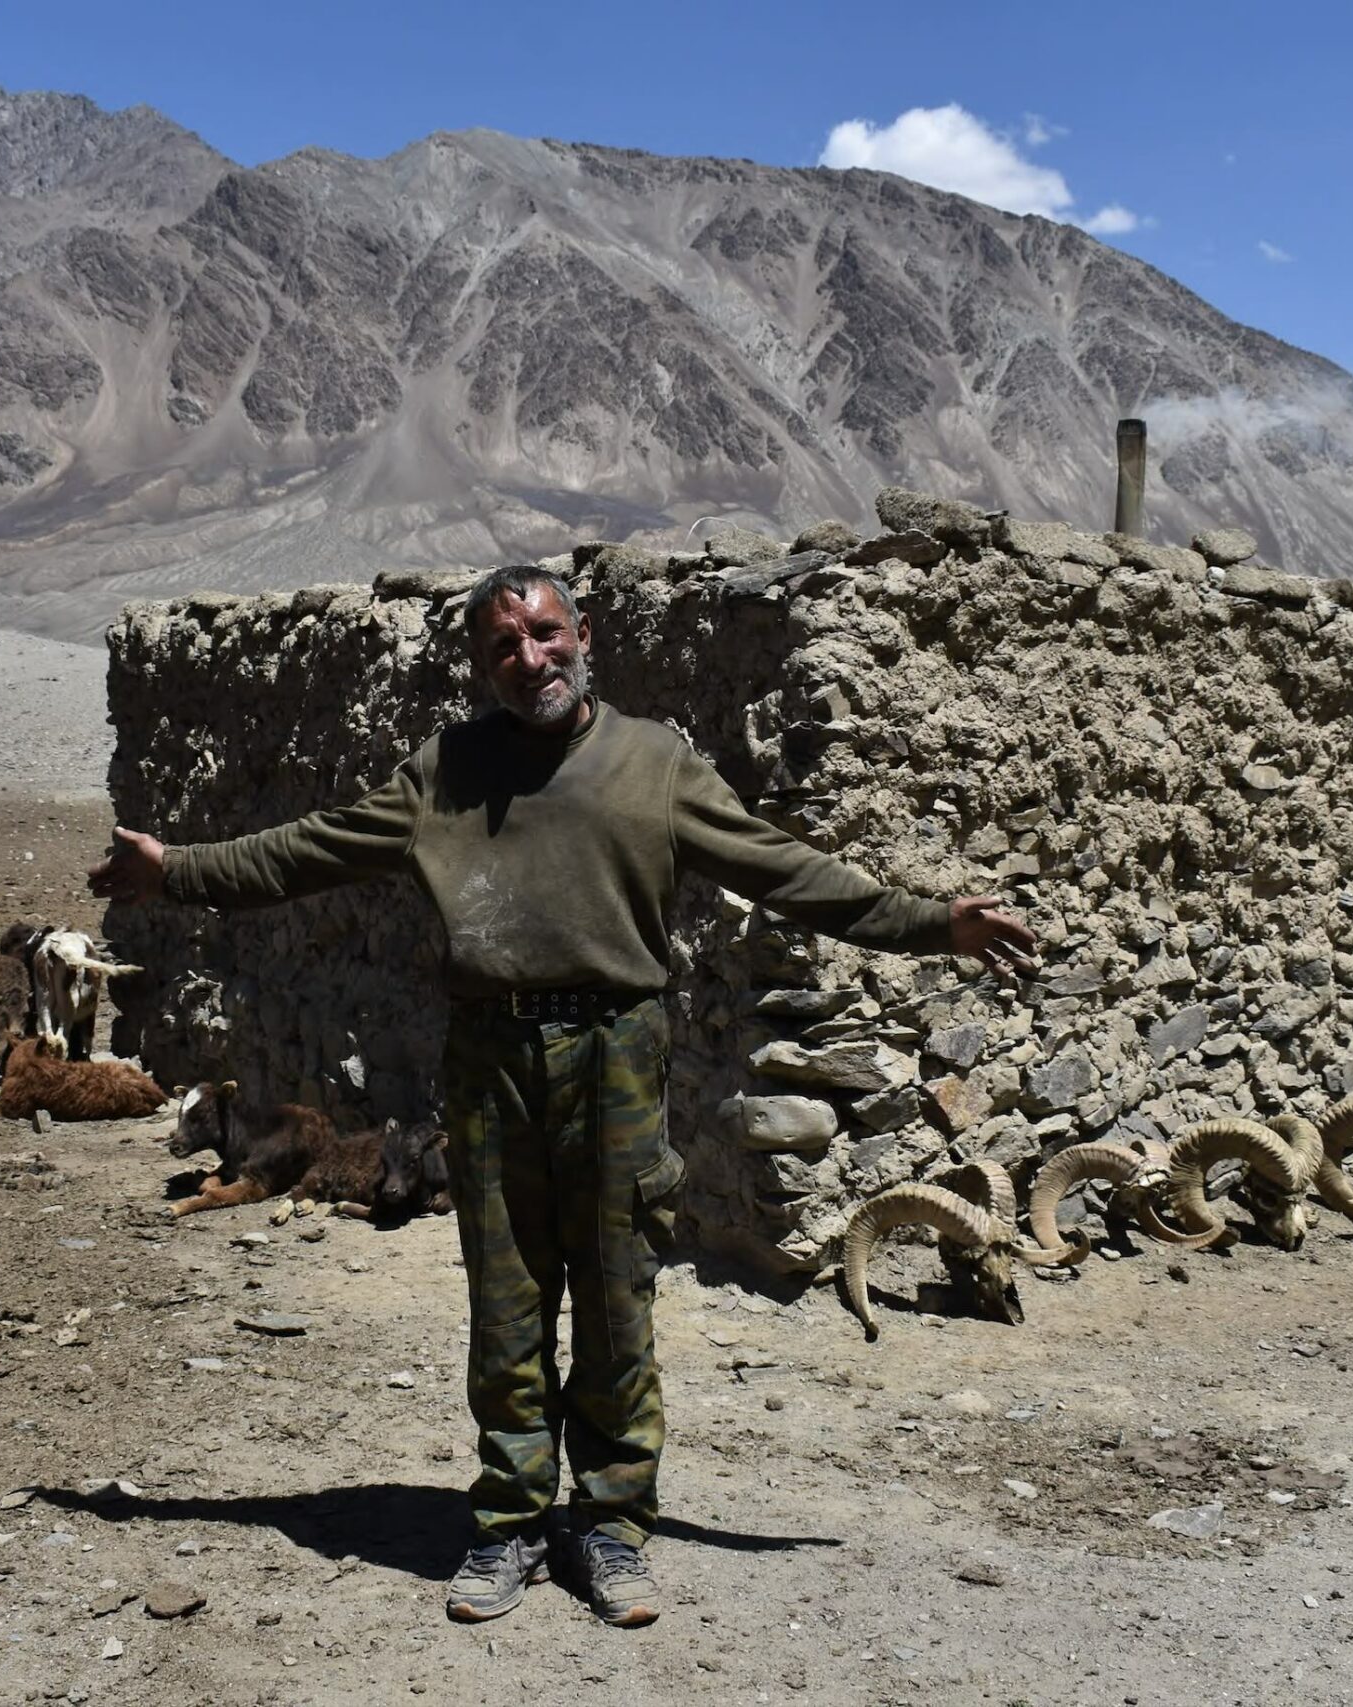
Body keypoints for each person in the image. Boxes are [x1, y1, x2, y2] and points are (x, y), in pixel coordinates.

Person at [88, 564, 1037, 1628]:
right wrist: (178, 868)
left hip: (616, 1056)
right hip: (489, 1064)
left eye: (544, 634)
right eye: (503, 646)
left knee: (617, 1297)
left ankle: (614, 1526)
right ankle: (507, 1526)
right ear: (479, 664)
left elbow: (785, 870)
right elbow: (310, 850)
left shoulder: (653, 765)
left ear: (582, 634)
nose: (529, 659)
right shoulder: (444, 773)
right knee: (506, 1306)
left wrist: (925, 922)